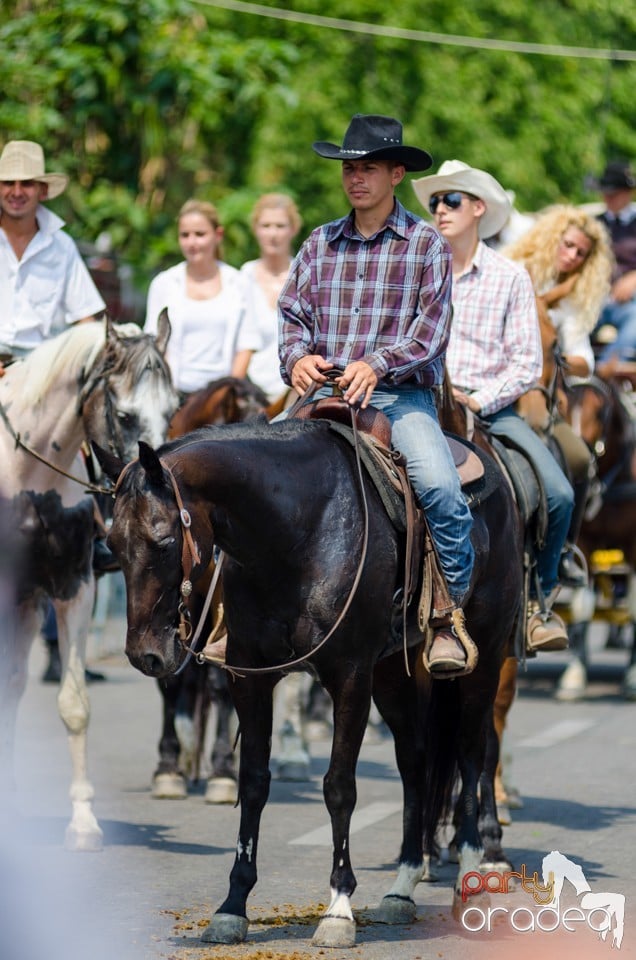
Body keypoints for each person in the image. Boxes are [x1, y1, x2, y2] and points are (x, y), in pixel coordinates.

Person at [278, 114, 475, 677]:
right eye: (349, 167)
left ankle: (446, 616)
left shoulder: (426, 246)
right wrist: (298, 359)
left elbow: (430, 333)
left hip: (398, 399)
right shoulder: (319, 243)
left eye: (367, 168)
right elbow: (292, 313)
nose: (355, 177)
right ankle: (229, 613)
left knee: (439, 487)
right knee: (250, 469)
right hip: (324, 395)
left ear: (395, 174)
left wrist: (377, 363)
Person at [411, 160, 575, 650]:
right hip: (421, 407)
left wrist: (477, 399)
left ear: (478, 208)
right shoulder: (419, 269)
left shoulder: (510, 277)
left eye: (451, 200)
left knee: (559, 492)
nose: (440, 209)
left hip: (491, 412)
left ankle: (537, 603)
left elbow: (526, 364)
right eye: (436, 201)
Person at [0, 139, 112, 681]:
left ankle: (102, 531)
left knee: (91, 443)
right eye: (8, 183)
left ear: (42, 190)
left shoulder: (62, 246)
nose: (17, 192)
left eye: (27, 184)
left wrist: (72, 364)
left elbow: (90, 319)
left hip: (45, 377)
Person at [502, 205, 613, 565]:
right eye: (568, 245)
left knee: (581, 458)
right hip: (496, 380)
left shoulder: (575, 300)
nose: (572, 256)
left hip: (543, 390)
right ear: (552, 238)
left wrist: (557, 354)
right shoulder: (512, 270)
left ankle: (563, 548)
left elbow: (585, 358)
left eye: (581, 253)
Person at [145, 199, 257, 395]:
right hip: (172, 395)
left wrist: (226, 392)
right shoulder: (163, 283)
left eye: (200, 234)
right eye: (185, 235)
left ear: (218, 235)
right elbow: (155, 343)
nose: (192, 242)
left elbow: (247, 345)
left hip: (222, 399)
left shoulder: (239, 282)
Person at [241, 193, 301, 402]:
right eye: (266, 226)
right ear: (255, 229)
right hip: (249, 394)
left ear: (293, 229)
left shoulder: (304, 275)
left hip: (295, 390)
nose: (272, 234)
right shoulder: (243, 277)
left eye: (280, 226)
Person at [592, 160, 636, 365]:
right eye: (605, 192)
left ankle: (603, 379)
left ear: (628, 193)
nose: (608, 198)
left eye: (614, 192)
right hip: (595, 298)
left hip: (630, 302)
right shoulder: (593, 224)